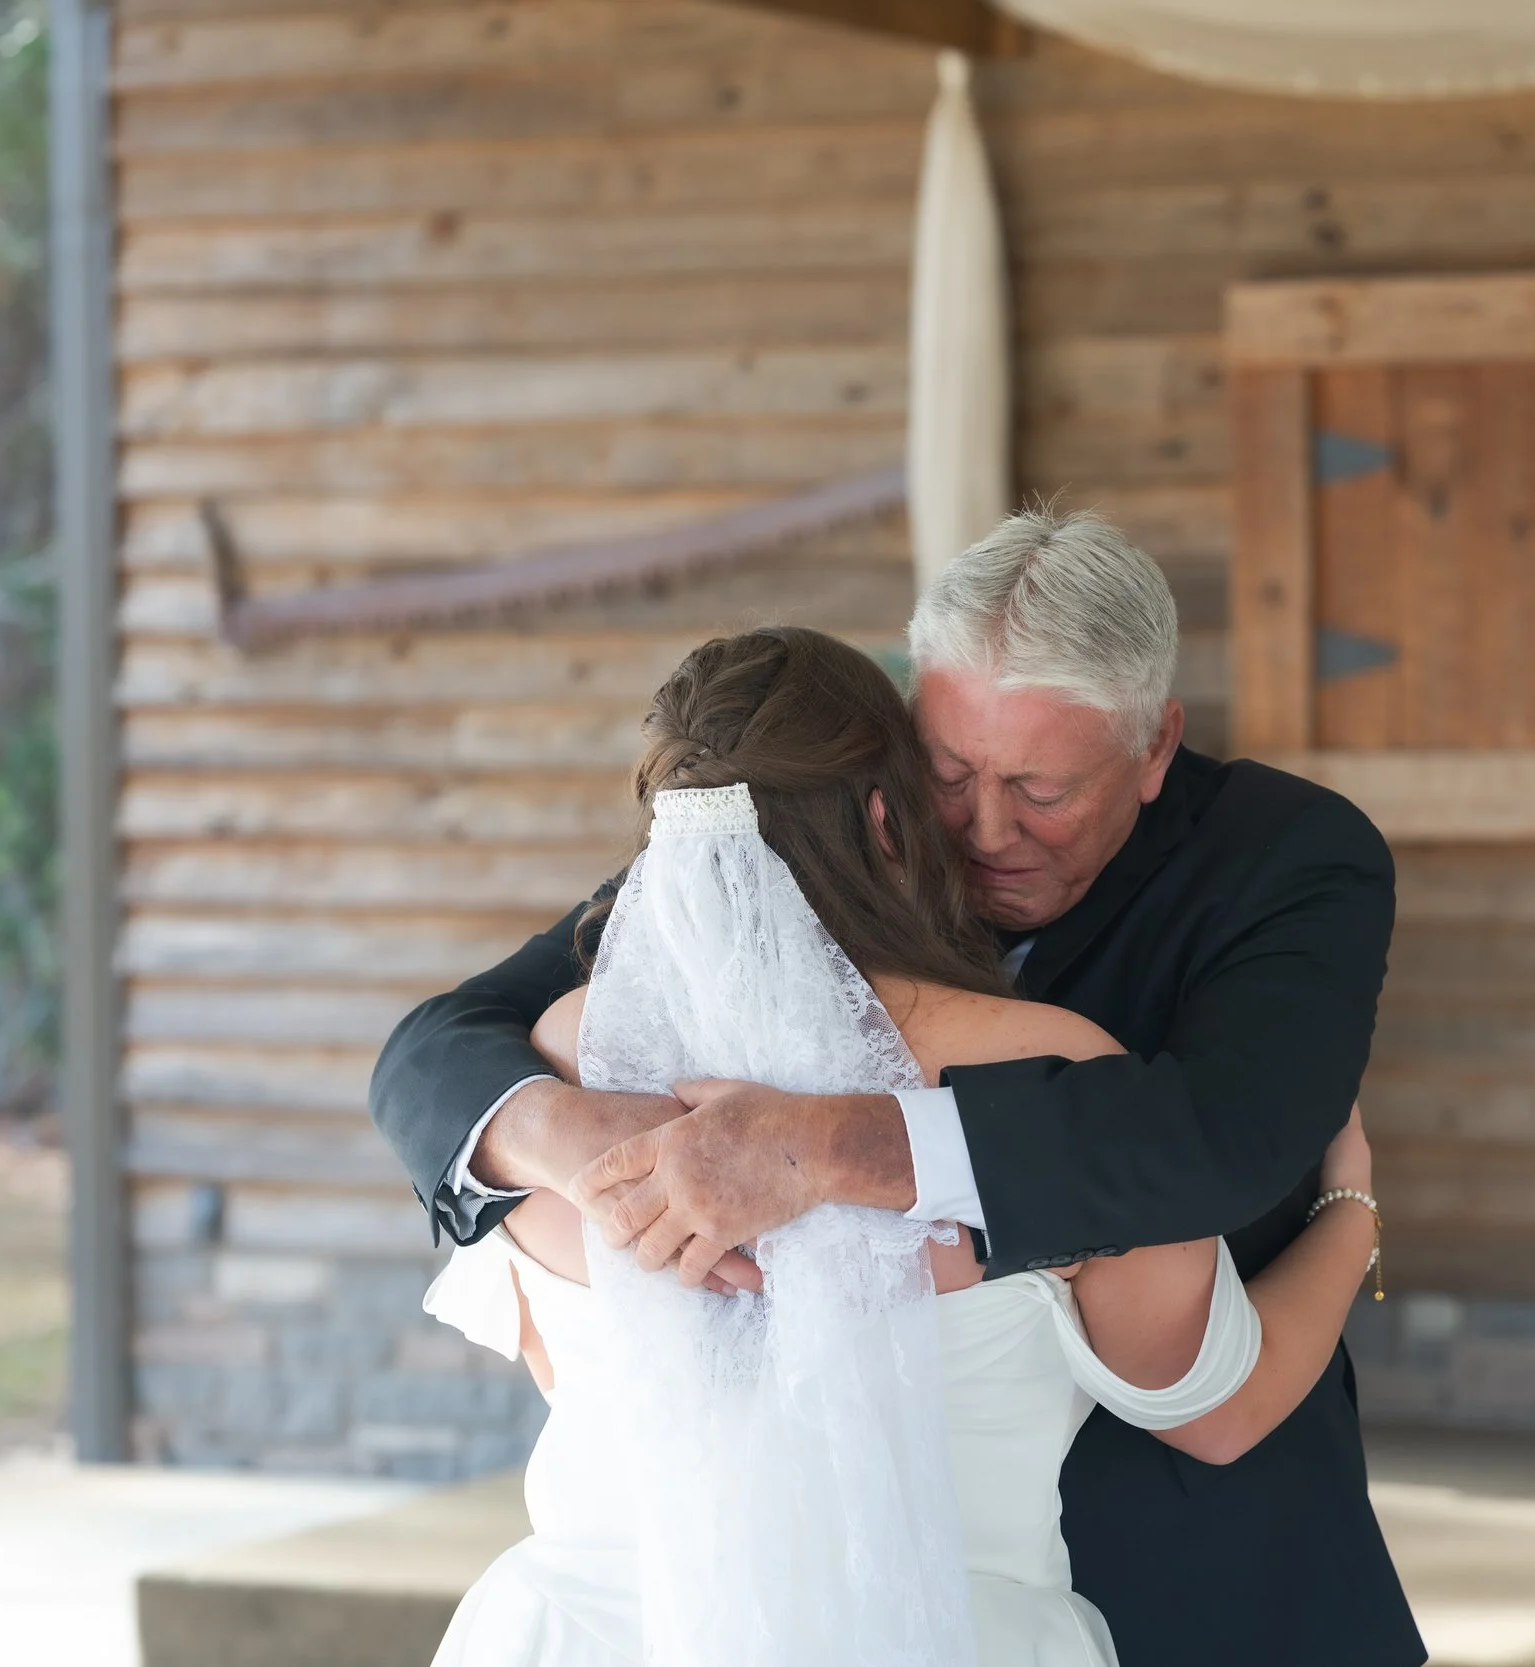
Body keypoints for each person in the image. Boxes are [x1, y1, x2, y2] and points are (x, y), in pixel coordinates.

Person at [373, 512, 1425, 1667]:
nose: (982, 831)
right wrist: (579, 1135)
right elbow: (436, 1045)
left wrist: (829, 1150)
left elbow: (1224, 1136)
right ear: (895, 752)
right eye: (950, 771)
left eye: (1041, 788)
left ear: (1155, 743)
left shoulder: (1290, 858)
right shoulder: (752, 858)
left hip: (1202, 1581)